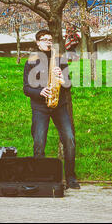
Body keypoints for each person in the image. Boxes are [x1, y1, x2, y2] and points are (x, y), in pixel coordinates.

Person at [23, 30, 80, 189]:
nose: (48, 42)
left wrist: (63, 79)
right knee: (39, 141)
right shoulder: (31, 61)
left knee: (69, 139)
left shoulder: (60, 59)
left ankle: (70, 178)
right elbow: (26, 89)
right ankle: (40, 178)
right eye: (44, 39)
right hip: (40, 107)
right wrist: (40, 91)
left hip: (59, 106)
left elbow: (68, 86)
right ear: (37, 42)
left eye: (50, 39)